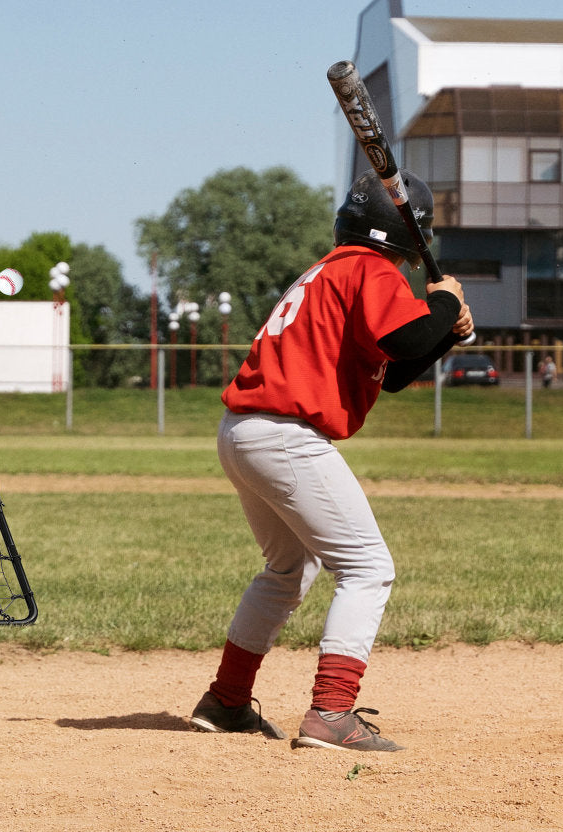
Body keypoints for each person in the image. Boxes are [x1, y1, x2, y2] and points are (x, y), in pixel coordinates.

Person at [190, 169, 474, 752]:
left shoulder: (334, 265)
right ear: (411, 235)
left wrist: (444, 330)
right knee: (368, 568)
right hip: (285, 436)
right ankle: (331, 712)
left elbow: (395, 372)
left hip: (243, 432)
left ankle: (226, 701)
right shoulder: (372, 269)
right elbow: (409, 341)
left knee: (289, 571)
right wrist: (443, 305)